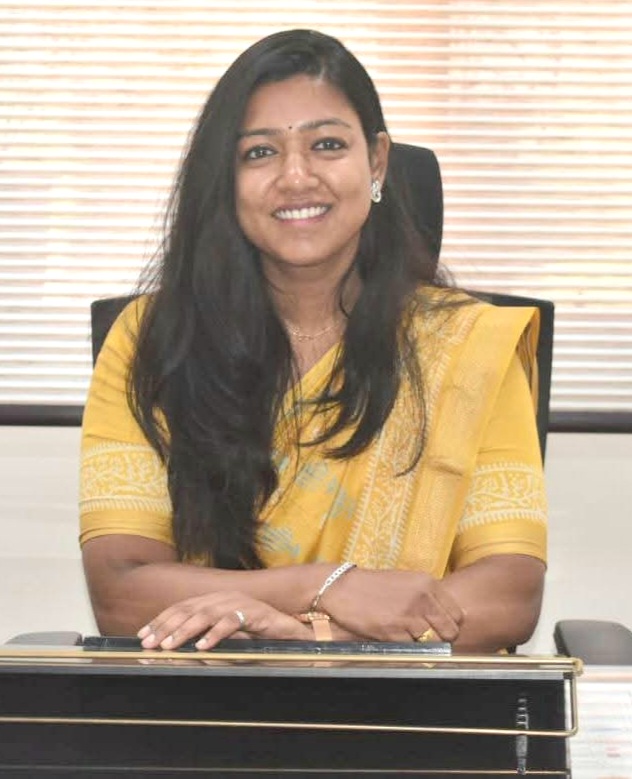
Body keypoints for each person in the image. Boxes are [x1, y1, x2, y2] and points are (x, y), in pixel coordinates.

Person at [79, 29, 547, 653]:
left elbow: (509, 595)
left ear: (376, 162)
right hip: (207, 696)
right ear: (225, 180)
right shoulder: (152, 341)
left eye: (327, 145)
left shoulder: (467, 346)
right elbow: (122, 591)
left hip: (413, 702)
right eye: (259, 153)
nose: (296, 177)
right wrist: (327, 587)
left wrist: (313, 635)